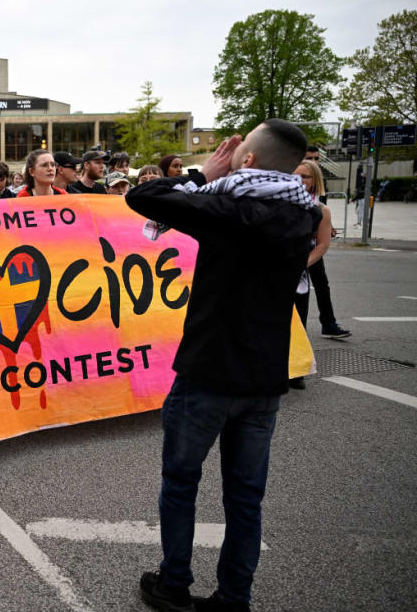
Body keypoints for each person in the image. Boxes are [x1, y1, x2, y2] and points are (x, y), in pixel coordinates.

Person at [126, 119, 320, 612]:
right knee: (245, 498)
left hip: (207, 374)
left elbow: (144, 198)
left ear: (248, 160)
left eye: (238, 150)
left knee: (181, 483)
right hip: (263, 382)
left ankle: (174, 585)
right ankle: (234, 597)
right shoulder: (303, 214)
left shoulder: (228, 206)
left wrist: (199, 173)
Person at [291, 159, 338, 389]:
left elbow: (321, 245)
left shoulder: (321, 211)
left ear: (315, 181)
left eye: (306, 177)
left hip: (298, 275)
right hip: (271, 274)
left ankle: (296, 371)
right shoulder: (277, 203)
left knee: (298, 321)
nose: (300, 180)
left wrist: (302, 265)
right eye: (295, 175)